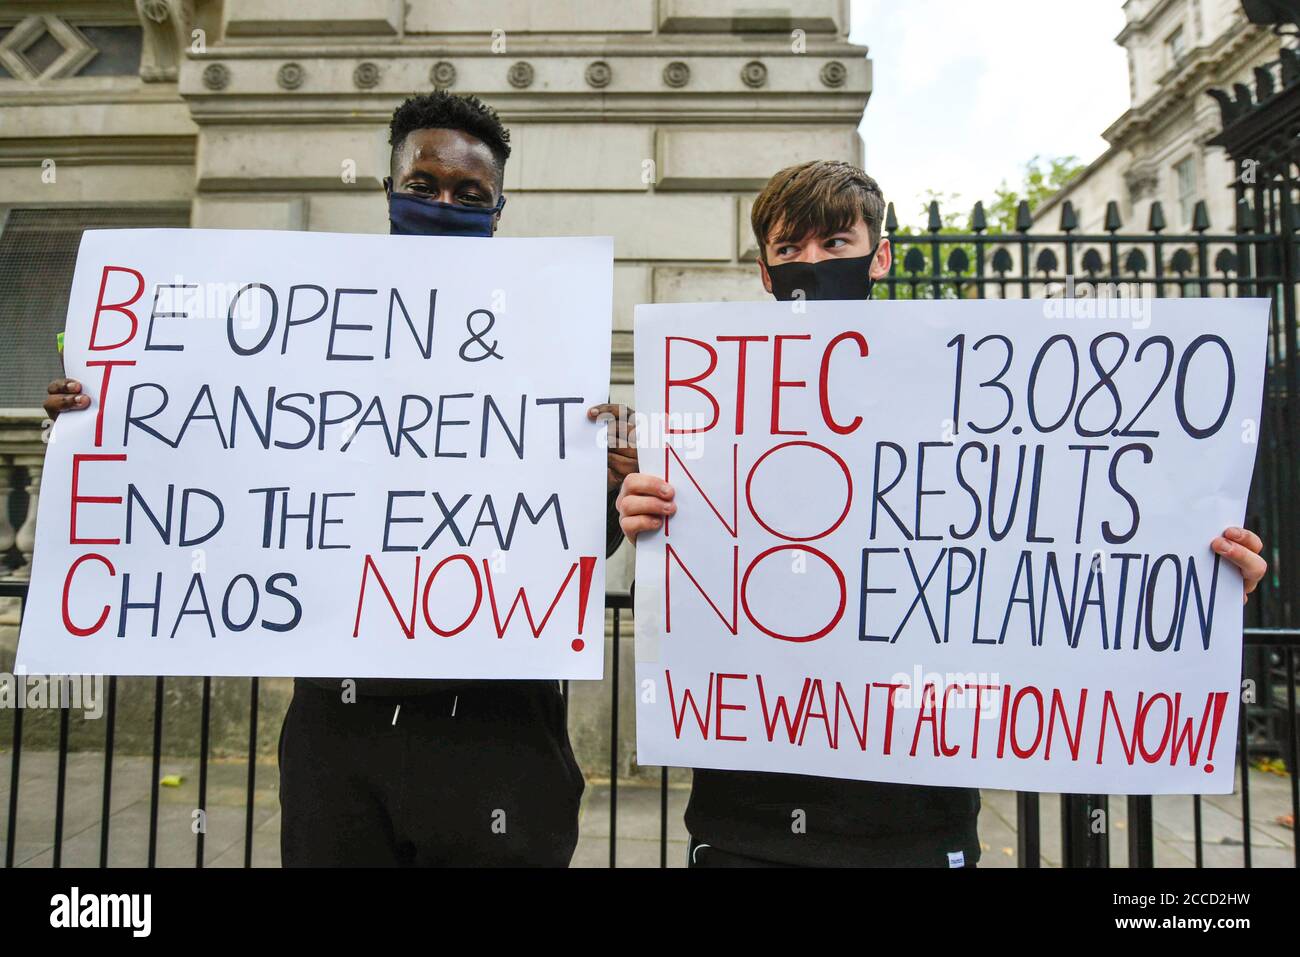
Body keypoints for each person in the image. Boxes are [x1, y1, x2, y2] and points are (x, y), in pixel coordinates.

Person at [614, 159, 1270, 867]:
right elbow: (693, 567)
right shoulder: (713, 404)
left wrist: (1197, 571)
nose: (811, 262)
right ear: (766, 273)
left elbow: (1065, 534)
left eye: (835, 243)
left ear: (880, 256)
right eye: (788, 248)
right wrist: (646, 513)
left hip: (916, 820)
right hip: (749, 819)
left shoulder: (960, 391)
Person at [43, 91, 638, 867]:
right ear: (387, 192)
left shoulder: (548, 344)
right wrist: (105, 427)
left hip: (498, 734)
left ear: (498, 212)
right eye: (423, 186)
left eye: (469, 194)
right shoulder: (300, 333)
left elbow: (553, 540)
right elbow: (219, 454)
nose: (443, 204)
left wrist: (609, 486)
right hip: (340, 733)